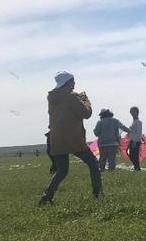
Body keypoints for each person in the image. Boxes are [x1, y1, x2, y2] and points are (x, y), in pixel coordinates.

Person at [40, 72, 101, 205]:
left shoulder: (52, 98)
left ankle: (47, 196)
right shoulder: (71, 97)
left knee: (62, 170)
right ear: (67, 82)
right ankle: (98, 193)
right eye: (72, 81)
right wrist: (85, 100)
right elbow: (86, 113)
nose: (74, 83)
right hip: (73, 137)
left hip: (56, 138)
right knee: (93, 163)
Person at [126, 107, 143, 171]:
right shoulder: (133, 122)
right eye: (131, 112)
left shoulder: (138, 122)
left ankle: (137, 168)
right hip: (131, 140)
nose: (132, 114)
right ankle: (136, 167)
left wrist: (135, 142)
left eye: (133, 112)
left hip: (136, 141)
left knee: (134, 155)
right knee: (130, 154)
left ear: (137, 112)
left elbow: (138, 133)